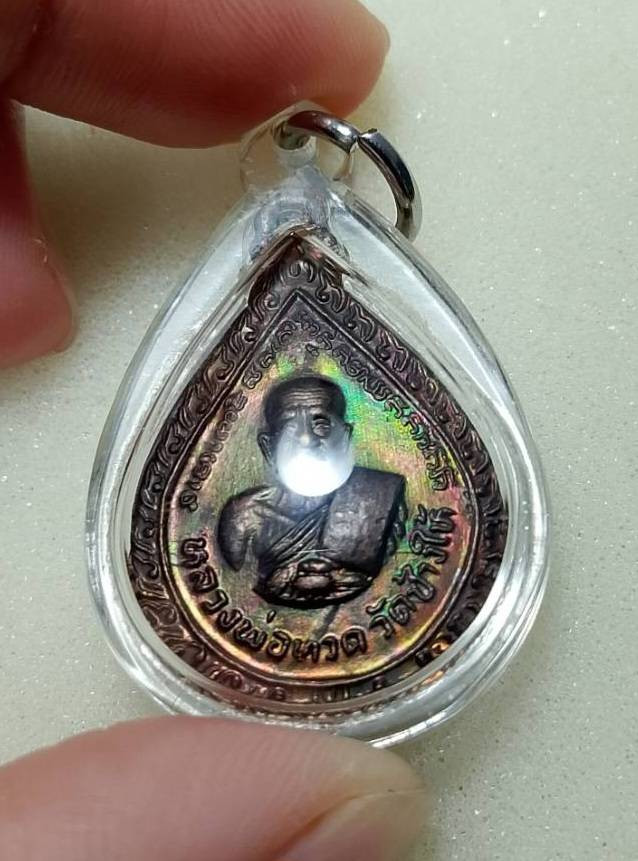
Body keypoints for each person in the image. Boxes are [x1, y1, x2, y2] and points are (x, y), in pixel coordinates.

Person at [0, 1, 426, 858]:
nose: (313, 434)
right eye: (293, 423)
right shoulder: (241, 516)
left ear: (353, 430)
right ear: (261, 445)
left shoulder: (384, 494)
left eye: (328, 419)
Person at [218, 375, 405, 606]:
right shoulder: (245, 515)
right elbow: (235, 587)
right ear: (268, 446)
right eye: (290, 427)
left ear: (346, 438)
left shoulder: (376, 497)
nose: (307, 439)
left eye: (321, 425)